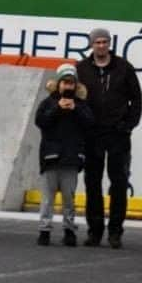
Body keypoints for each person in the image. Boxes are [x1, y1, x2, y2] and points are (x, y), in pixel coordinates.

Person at [76, 29, 142, 249]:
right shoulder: (81, 69)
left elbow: (137, 100)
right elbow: (75, 99)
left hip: (118, 134)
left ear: (110, 44)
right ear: (91, 45)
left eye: (105, 42)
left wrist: (127, 125)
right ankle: (94, 231)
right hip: (92, 134)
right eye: (98, 42)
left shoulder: (124, 67)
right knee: (92, 183)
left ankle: (115, 232)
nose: (102, 46)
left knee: (119, 183)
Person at [34, 63, 94, 247]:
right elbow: (41, 121)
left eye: (71, 83)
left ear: (76, 85)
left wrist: (75, 108)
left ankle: (69, 230)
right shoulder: (48, 102)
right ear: (58, 84)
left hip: (71, 159)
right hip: (50, 158)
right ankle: (44, 230)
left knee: (69, 198)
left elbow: (90, 123)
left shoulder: (82, 105)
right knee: (47, 198)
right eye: (65, 82)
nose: (68, 87)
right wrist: (58, 108)